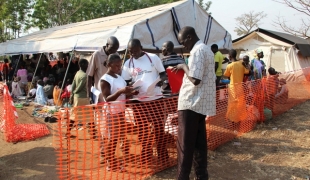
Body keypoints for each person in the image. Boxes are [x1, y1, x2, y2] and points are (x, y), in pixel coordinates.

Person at [172, 26, 216, 180]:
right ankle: (201, 176)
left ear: (190, 37)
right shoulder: (207, 50)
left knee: (184, 147)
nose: (184, 46)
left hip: (190, 103)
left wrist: (183, 66)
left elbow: (195, 80)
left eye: (183, 42)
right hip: (201, 104)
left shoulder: (197, 51)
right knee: (199, 146)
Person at [122, 39, 169, 166]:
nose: (133, 54)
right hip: (138, 102)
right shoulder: (128, 63)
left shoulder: (153, 58)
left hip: (156, 99)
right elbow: (126, 82)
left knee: (159, 128)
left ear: (141, 47)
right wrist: (131, 89)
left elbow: (164, 75)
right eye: (131, 52)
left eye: (135, 51)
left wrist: (159, 82)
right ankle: (146, 156)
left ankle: (163, 156)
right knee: (142, 131)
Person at [99, 54, 138, 171]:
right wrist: (121, 90)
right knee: (113, 139)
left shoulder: (119, 77)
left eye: (120, 65)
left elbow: (124, 94)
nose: (119, 67)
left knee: (117, 138)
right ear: (109, 64)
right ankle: (110, 163)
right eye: (116, 65)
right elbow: (107, 98)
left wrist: (131, 92)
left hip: (121, 111)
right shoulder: (105, 79)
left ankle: (111, 160)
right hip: (111, 113)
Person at [68, 59, 96, 139]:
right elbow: (79, 88)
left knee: (74, 115)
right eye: (87, 64)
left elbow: (73, 85)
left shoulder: (77, 73)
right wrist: (74, 93)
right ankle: (93, 134)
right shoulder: (85, 76)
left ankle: (68, 132)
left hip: (77, 98)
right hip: (83, 97)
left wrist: (72, 95)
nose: (88, 66)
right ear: (83, 65)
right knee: (90, 116)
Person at [87, 36, 120, 104]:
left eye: (115, 49)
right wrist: (89, 96)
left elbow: (118, 73)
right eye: (112, 49)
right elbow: (89, 75)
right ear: (107, 45)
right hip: (100, 95)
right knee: (101, 114)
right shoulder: (97, 55)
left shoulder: (116, 55)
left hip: (113, 94)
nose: (113, 51)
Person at [224, 49, 250, 123]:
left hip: (233, 87)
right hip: (240, 86)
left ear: (230, 56)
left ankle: (233, 119)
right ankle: (240, 118)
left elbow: (226, 75)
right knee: (240, 102)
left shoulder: (230, 66)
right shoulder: (241, 63)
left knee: (232, 104)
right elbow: (247, 71)